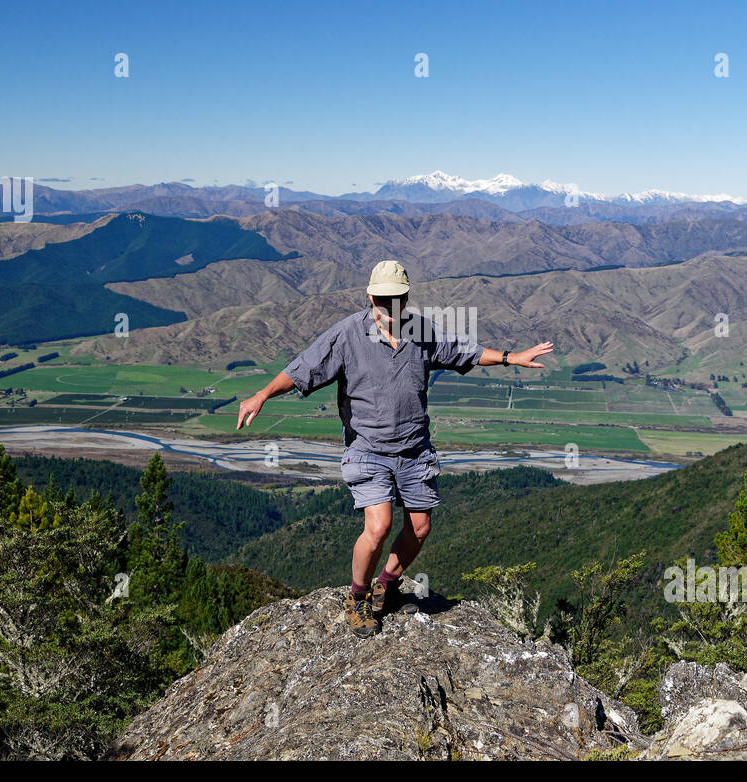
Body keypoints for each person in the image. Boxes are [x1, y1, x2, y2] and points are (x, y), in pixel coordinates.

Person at [236, 259, 554, 638]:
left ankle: (384, 585)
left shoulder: (421, 331)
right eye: (382, 301)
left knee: (419, 528)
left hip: (414, 448)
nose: (390, 308)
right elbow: (302, 368)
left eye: (397, 300)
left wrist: (510, 358)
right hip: (367, 447)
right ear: (370, 297)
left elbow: (462, 350)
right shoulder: (347, 335)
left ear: (407, 298)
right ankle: (357, 598)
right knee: (379, 525)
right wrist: (262, 395)